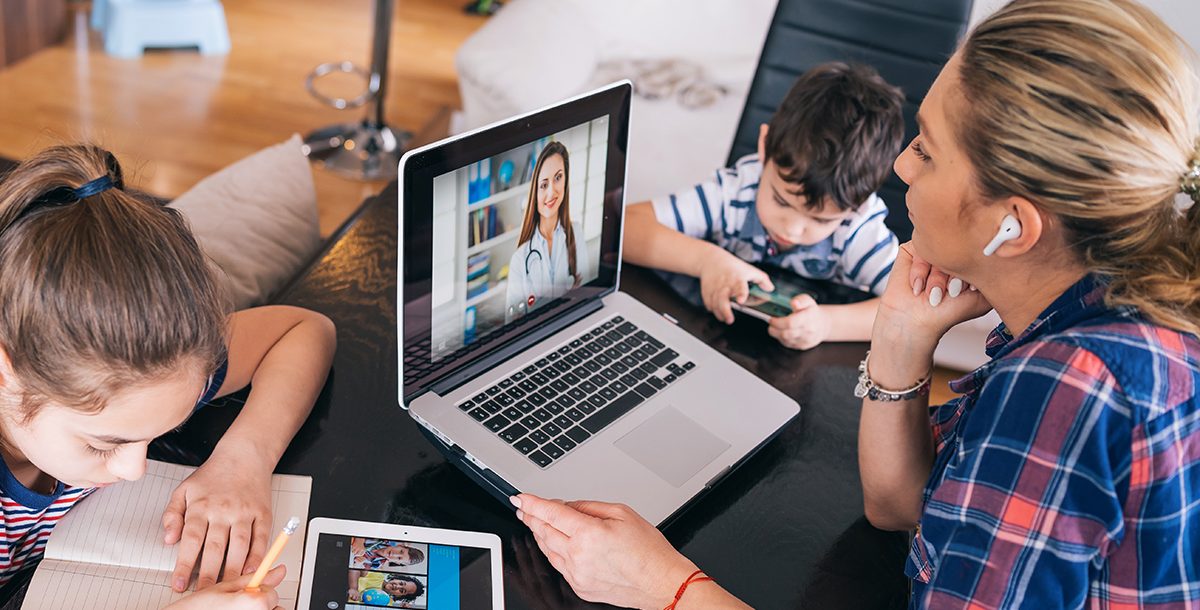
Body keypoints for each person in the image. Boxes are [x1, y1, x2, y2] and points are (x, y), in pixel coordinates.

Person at [510, 0, 1200, 607]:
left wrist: (665, 587)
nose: (900, 169)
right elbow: (900, 506)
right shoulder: (1105, 322)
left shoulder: (1070, 387)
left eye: (926, 152)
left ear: (1012, 225)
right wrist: (899, 334)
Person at [0, 145, 337, 608]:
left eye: (160, 431)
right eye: (104, 443)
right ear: (8, 373)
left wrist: (243, 459)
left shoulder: (158, 361)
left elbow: (306, 330)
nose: (135, 470)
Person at [623, 62, 905, 349]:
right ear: (765, 146)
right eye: (781, 200)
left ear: (858, 203)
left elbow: (909, 310)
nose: (793, 229)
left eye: (821, 220)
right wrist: (707, 261)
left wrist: (828, 324)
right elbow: (625, 227)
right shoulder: (733, 194)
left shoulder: (858, 229)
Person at [504, 141, 590, 320]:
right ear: (534, 193)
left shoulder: (576, 233)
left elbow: (587, 298)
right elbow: (512, 326)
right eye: (543, 185)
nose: (552, 192)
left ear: (566, 180)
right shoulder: (519, 260)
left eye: (558, 178)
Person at [350, 538, 426, 570]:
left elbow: (355, 567)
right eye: (401, 551)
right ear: (400, 546)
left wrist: (357, 564)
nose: (394, 554)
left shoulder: (377, 564)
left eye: (399, 558)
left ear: (397, 563)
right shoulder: (383, 538)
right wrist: (359, 540)